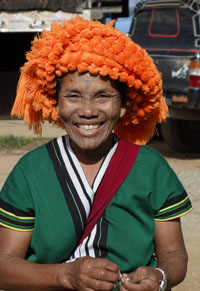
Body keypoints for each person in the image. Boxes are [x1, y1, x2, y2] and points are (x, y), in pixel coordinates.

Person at [0, 16, 192, 291]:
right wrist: (65, 275)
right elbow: (5, 266)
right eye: (73, 96)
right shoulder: (31, 172)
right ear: (57, 104)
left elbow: (173, 255)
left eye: (103, 96)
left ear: (123, 106)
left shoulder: (151, 168)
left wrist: (160, 277)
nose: (88, 110)